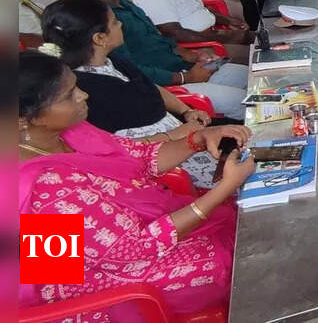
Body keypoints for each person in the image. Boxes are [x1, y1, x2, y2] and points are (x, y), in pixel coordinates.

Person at [17, 50, 256, 317]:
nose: (84, 96)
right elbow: (137, 250)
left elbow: (138, 157)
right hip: (106, 286)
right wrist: (224, 187)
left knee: (246, 217)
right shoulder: (39, 187)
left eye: (77, 87)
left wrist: (198, 139)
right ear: (25, 119)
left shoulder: (70, 132)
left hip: (134, 241)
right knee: (243, 255)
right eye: (68, 96)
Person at [40, 0, 222, 186]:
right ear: (100, 38)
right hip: (162, 162)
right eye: (115, 22)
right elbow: (113, 149)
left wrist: (186, 110)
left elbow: (149, 87)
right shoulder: (80, 88)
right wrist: (176, 134)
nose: (121, 25)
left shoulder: (114, 61)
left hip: (182, 136)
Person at [69, 0, 250, 121]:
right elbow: (128, 70)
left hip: (185, 67)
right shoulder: (95, 21)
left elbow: (159, 38)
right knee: (249, 102)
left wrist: (192, 54)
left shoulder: (125, 5)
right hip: (167, 86)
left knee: (256, 77)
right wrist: (186, 78)